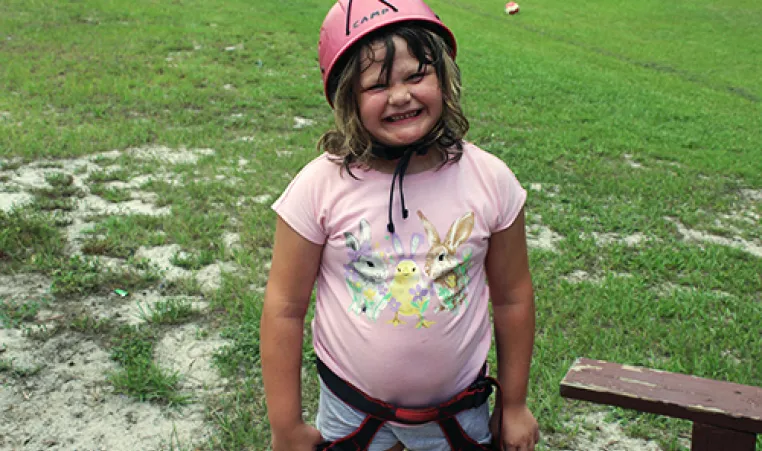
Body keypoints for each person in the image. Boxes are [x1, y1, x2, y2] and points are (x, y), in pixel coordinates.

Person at [260, 0, 540, 450]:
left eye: (416, 75)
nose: (401, 96)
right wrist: (285, 425)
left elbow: (511, 298)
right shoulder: (319, 186)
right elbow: (284, 308)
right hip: (351, 411)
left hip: (458, 414)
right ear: (347, 97)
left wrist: (514, 405)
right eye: (376, 84)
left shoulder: (491, 181)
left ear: (444, 80)